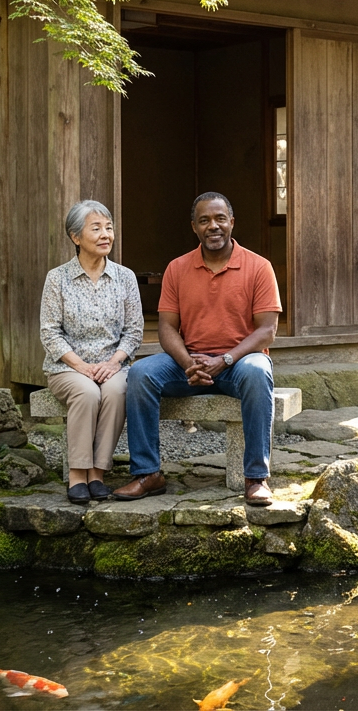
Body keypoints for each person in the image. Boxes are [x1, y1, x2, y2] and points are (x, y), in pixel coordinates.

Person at [118, 192, 282, 506]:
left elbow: (267, 330)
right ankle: (148, 473)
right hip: (188, 362)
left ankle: (256, 477)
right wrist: (187, 362)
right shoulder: (178, 268)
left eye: (220, 218)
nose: (213, 226)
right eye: (204, 220)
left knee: (258, 372)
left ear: (232, 222)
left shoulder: (259, 267)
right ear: (194, 227)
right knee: (140, 373)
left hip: (239, 363)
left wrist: (225, 359)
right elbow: (166, 327)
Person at [39, 200, 143, 505]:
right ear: (75, 237)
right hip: (68, 368)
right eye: (95, 228)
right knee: (87, 393)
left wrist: (114, 363)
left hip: (113, 365)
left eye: (108, 228)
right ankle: (77, 474)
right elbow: (49, 331)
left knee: (115, 391)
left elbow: (135, 329)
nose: (105, 235)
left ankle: (97, 473)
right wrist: (81, 366)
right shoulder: (57, 278)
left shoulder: (125, 277)